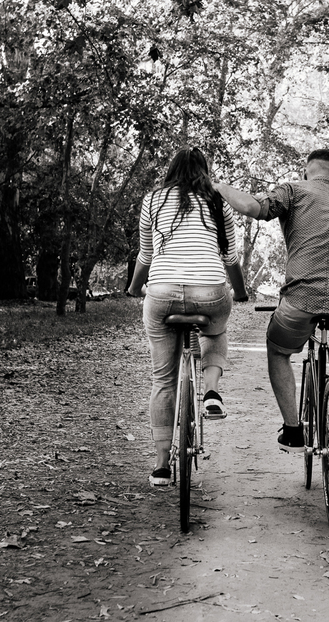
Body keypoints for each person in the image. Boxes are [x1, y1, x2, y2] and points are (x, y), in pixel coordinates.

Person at [214, 148, 329, 461]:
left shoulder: (293, 190)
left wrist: (220, 188)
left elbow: (251, 206)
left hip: (301, 298)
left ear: (306, 172)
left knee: (278, 349)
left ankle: (292, 430)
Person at [127, 148, 248, 487]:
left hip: (162, 295)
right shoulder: (217, 200)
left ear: (172, 170)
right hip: (209, 291)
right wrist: (239, 293)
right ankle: (211, 392)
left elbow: (146, 255)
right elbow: (230, 258)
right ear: (204, 171)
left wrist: (135, 288)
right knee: (216, 331)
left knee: (162, 381)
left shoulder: (153, 199)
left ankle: (162, 465)